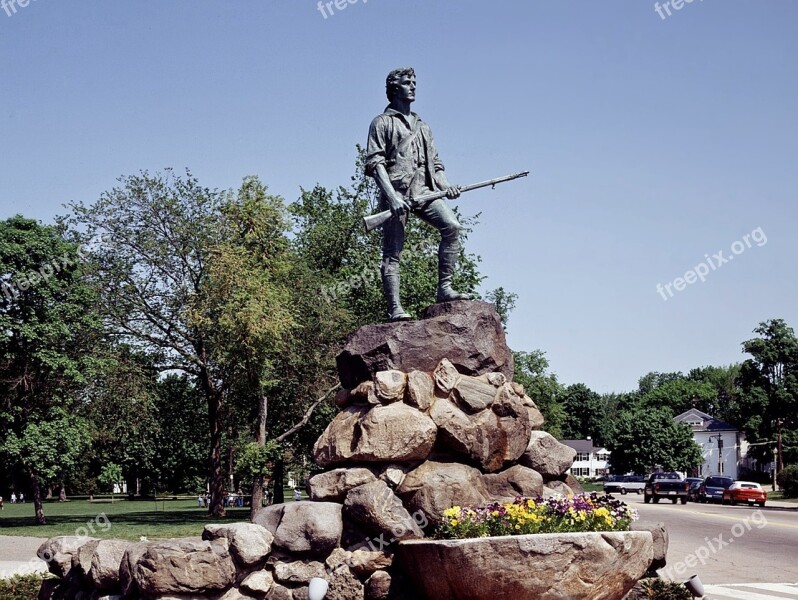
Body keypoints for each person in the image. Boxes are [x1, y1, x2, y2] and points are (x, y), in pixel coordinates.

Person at [365, 67, 469, 322]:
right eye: (407, 83)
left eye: (414, 82)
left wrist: (446, 186)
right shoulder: (382, 122)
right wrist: (392, 197)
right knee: (393, 252)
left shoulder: (424, 126)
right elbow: (374, 164)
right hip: (397, 194)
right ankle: (395, 308)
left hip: (426, 192)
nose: (413, 87)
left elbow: (436, 163)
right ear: (394, 88)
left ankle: (444, 288)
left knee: (452, 227)